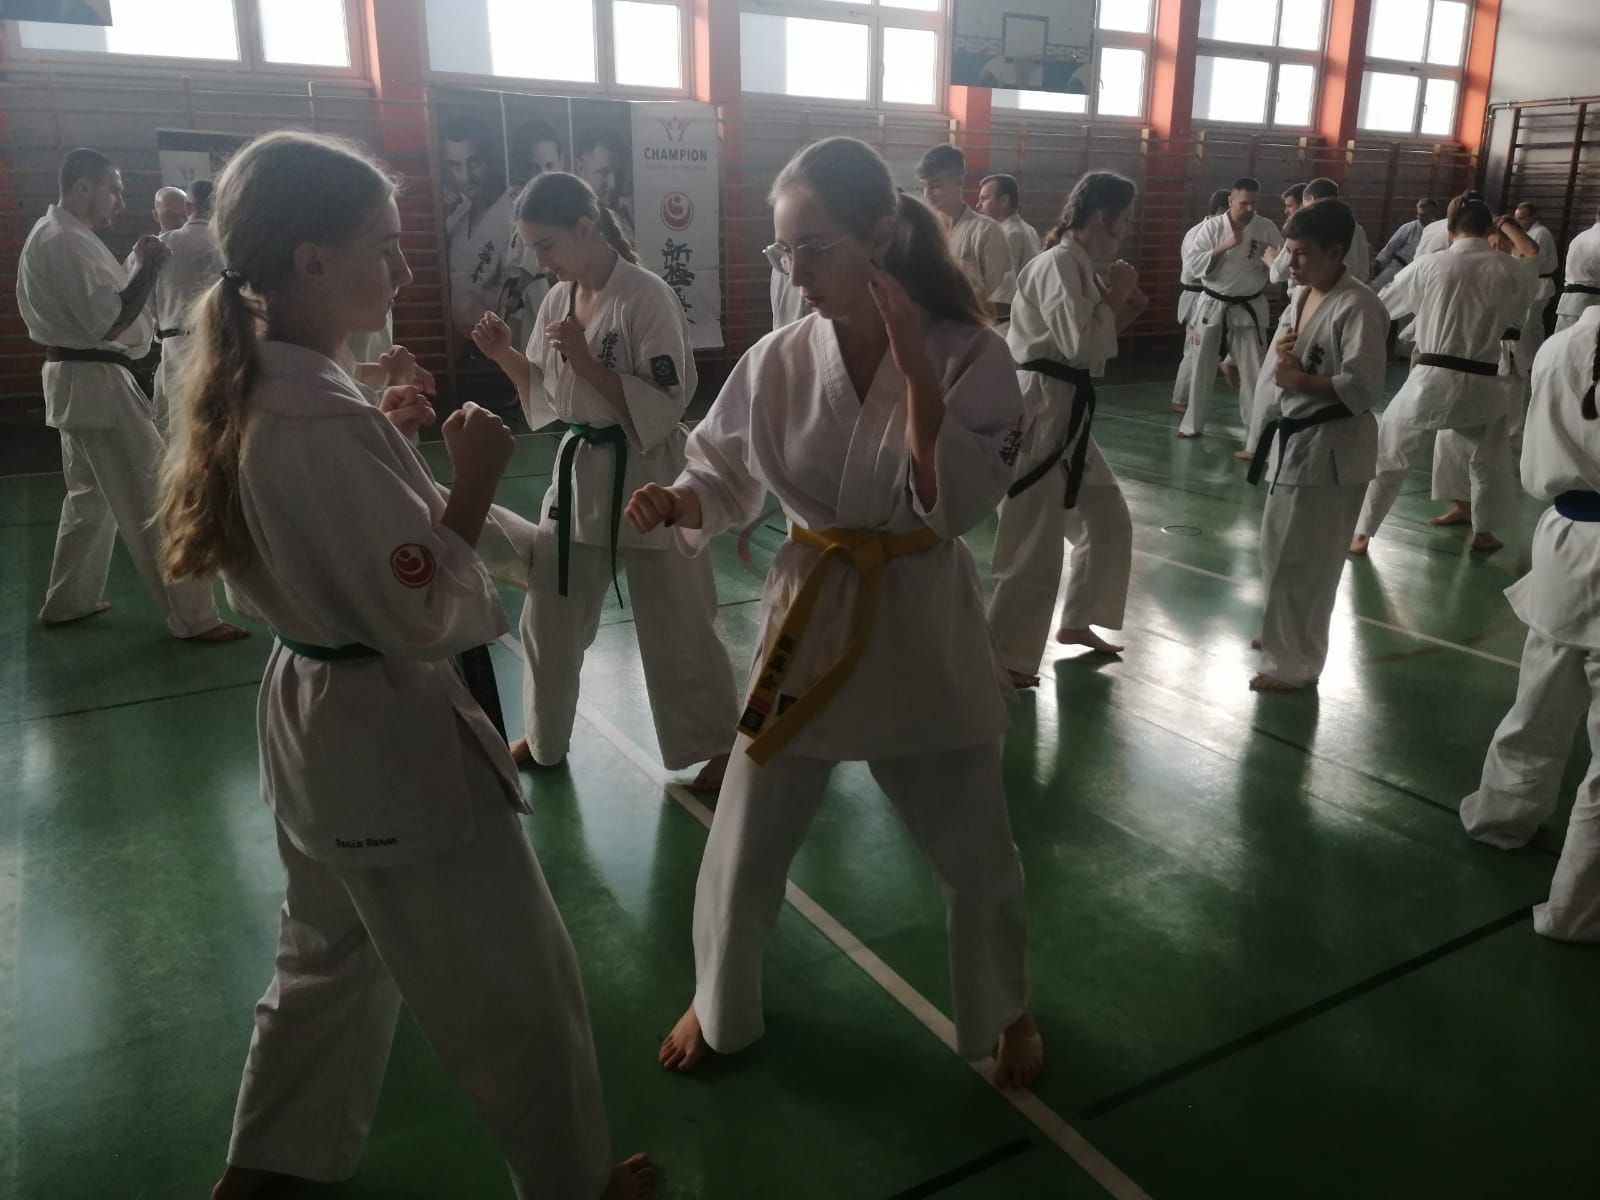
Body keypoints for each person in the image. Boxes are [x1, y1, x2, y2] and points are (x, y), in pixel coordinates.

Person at [157, 131, 652, 1200]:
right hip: (386, 743)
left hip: (318, 727)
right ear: (311, 261)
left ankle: (264, 1172)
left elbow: (358, 539)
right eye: (383, 246)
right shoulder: (309, 418)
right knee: (521, 990)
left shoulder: (278, 388)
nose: (405, 268)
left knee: (323, 965)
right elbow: (419, 610)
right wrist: (471, 476)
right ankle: (573, 1185)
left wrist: (405, 459)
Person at [627, 136, 1041, 1089]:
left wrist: (920, 381)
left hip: (920, 616)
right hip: (810, 616)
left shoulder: (972, 352)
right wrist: (679, 501)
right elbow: (720, 472)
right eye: (785, 251)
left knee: (976, 848)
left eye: (813, 248)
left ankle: (1006, 1005)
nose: (796, 272)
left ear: (881, 235)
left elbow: (958, 506)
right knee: (742, 836)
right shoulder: (777, 358)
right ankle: (719, 1000)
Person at [469, 172, 738, 789]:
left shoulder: (646, 296)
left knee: (678, 619)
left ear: (587, 228)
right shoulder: (557, 299)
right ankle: (545, 737)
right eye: (532, 247)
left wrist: (587, 361)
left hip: (651, 475)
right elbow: (545, 391)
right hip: (579, 473)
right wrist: (504, 354)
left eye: (546, 244)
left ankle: (717, 745)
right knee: (549, 614)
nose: (540, 260)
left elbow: (667, 402)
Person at [17, 147, 243, 643]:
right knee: (154, 495)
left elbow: (105, 306)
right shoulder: (66, 241)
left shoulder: (57, 235)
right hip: (96, 382)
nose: (119, 202)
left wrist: (139, 261)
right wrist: (149, 267)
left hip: (78, 381)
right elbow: (113, 320)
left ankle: (68, 600)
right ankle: (195, 618)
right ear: (83, 187)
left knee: (88, 498)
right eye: (113, 190)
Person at [1458, 303, 1600, 941]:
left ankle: (1500, 817)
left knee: (1540, 699)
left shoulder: (1559, 347)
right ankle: (1578, 911)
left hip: (1564, 539)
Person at [987, 172, 1146, 683]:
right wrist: (1117, 296)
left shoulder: (1080, 267)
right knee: (1032, 538)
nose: (1128, 228)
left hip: (1065, 406)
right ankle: (1004, 657)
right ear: (1102, 216)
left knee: (1106, 519)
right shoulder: (1058, 264)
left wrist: (1123, 308)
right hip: (1039, 408)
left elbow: (1090, 347)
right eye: (1125, 218)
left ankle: (1078, 619)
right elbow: (1079, 346)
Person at [1244, 200, 1389, 692]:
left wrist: (1299, 379)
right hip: (1296, 442)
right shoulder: (1302, 296)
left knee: (1309, 563)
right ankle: (1280, 634)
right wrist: (1289, 368)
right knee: (1277, 550)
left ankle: (1297, 664)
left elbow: (1363, 388)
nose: (1292, 262)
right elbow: (1288, 369)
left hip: (1332, 450)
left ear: (1336, 251)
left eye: (1302, 253)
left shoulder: (1360, 306)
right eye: (1289, 251)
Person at [1350, 200, 1529, 556]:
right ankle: (1483, 533)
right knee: (1488, 461)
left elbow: (1383, 306)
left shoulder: (1430, 264)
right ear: (1490, 231)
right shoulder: (1510, 268)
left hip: (1431, 379)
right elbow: (1517, 317)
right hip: (1483, 381)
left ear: (1449, 230)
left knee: (1390, 456)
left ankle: (1362, 533)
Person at [1427, 213, 1542, 529]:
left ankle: (1487, 522)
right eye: (1491, 242)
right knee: (1450, 437)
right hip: (1465, 359)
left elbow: (1531, 252)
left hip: (1505, 356)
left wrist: (1506, 224)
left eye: (1502, 244)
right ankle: (1463, 506)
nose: (1496, 248)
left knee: (1499, 440)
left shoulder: (1517, 273)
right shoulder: (1470, 268)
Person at [1176, 176, 1282, 440]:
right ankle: (1191, 425)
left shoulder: (1266, 227)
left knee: (1253, 373)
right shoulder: (1211, 228)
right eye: (1244, 203)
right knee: (1201, 367)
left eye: (1254, 203)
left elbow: (1281, 267)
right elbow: (1193, 267)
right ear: (1231, 200)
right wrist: (1224, 246)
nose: (1250, 209)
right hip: (1212, 302)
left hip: (1248, 305)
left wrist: (1272, 261)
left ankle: (1256, 435)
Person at [150, 179, 223, 438]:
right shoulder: (228, 243)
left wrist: (161, 316)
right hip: (221, 342)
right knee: (218, 423)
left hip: (175, 342)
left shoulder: (163, 243)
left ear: (188, 207)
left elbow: (141, 296)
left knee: (179, 428)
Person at [915, 144, 1016, 320]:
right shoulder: (925, 231)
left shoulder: (987, 231)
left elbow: (1004, 302)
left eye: (935, 185)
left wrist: (956, 311)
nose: (927, 194)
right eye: (924, 186)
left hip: (974, 327)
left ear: (959, 182)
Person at [442, 113, 515, 341]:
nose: (466, 176)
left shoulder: (513, 211)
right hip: (462, 345)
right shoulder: (456, 216)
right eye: (455, 166)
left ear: (491, 160)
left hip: (505, 343)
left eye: (474, 163)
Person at [1171, 188, 1232, 415]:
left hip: (1209, 297)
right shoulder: (1201, 233)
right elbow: (1194, 269)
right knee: (1194, 350)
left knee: (1207, 351)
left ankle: (1224, 365)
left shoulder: (1212, 231)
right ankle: (1180, 399)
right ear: (1221, 209)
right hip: (1197, 296)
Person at [1515, 200, 1560, 365]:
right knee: (1532, 325)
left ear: (1533, 217)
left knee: (1530, 326)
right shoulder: (1529, 234)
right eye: (1517, 218)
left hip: (1540, 283)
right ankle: (1532, 359)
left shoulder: (1540, 233)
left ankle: (1531, 361)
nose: (1519, 222)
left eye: (1522, 218)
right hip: (1533, 283)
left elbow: (1532, 261)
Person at [977, 172, 1043, 280]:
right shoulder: (1030, 229)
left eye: (984, 198)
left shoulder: (1006, 235)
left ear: (1004, 201)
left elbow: (1002, 284)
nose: (978, 205)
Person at [575, 129, 632, 240]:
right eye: (604, 172)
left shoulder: (629, 215)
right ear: (580, 167)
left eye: (618, 174)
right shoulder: (565, 221)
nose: (612, 185)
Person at [1372, 198, 1438, 292]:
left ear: (1433, 214)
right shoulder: (1409, 227)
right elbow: (1391, 246)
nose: (1420, 218)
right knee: (1376, 289)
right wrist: (1379, 262)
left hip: (1418, 272)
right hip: (1398, 266)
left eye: (1424, 215)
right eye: (1419, 214)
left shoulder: (1438, 231)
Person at [1556, 206, 1600, 333]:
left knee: (1563, 342)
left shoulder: (1580, 237)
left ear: (1597, 215)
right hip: (1591, 304)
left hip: (1569, 302)